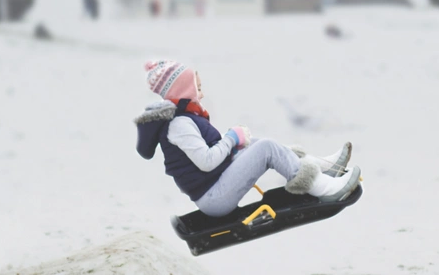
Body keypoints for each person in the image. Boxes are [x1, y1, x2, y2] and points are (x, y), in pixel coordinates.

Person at [134, 60, 361, 218]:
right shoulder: (179, 124)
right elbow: (206, 161)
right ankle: (324, 189)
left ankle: (321, 168)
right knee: (266, 148)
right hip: (213, 197)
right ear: (183, 89)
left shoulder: (183, 118)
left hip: (215, 185)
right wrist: (231, 138)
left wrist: (235, 141)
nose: (201, 94)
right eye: (198, 88)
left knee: (257, 143)